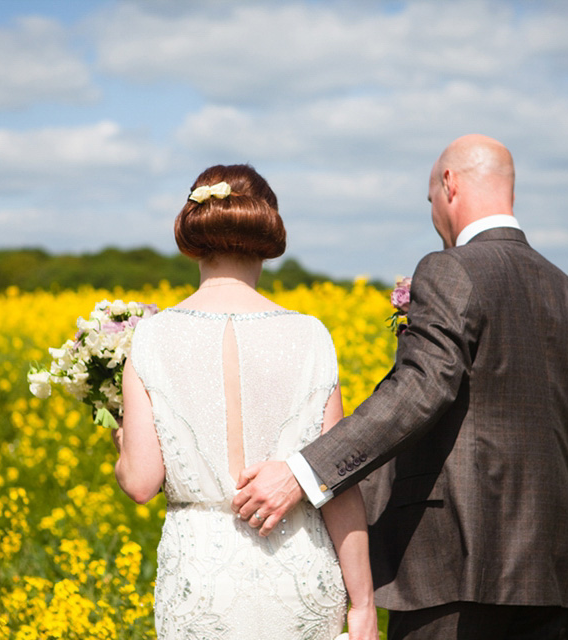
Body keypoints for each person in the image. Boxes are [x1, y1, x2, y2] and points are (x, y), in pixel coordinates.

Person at [233, 135, 568, 639]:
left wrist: (303, 473)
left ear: (449, 185)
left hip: (453, 569)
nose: (432, 209)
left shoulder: (449, 269)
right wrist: (562, 558)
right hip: (552, 577)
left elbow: (421, 389)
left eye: (429, 196)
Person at [112, 164, 378, 640]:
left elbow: (140, 482)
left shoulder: (150, 338)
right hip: (299, 569)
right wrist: (364, 603)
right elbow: (338, 482)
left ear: (194, 232)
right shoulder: (311, 336)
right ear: (267, 232)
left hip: (201, 580)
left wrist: (122, 444)